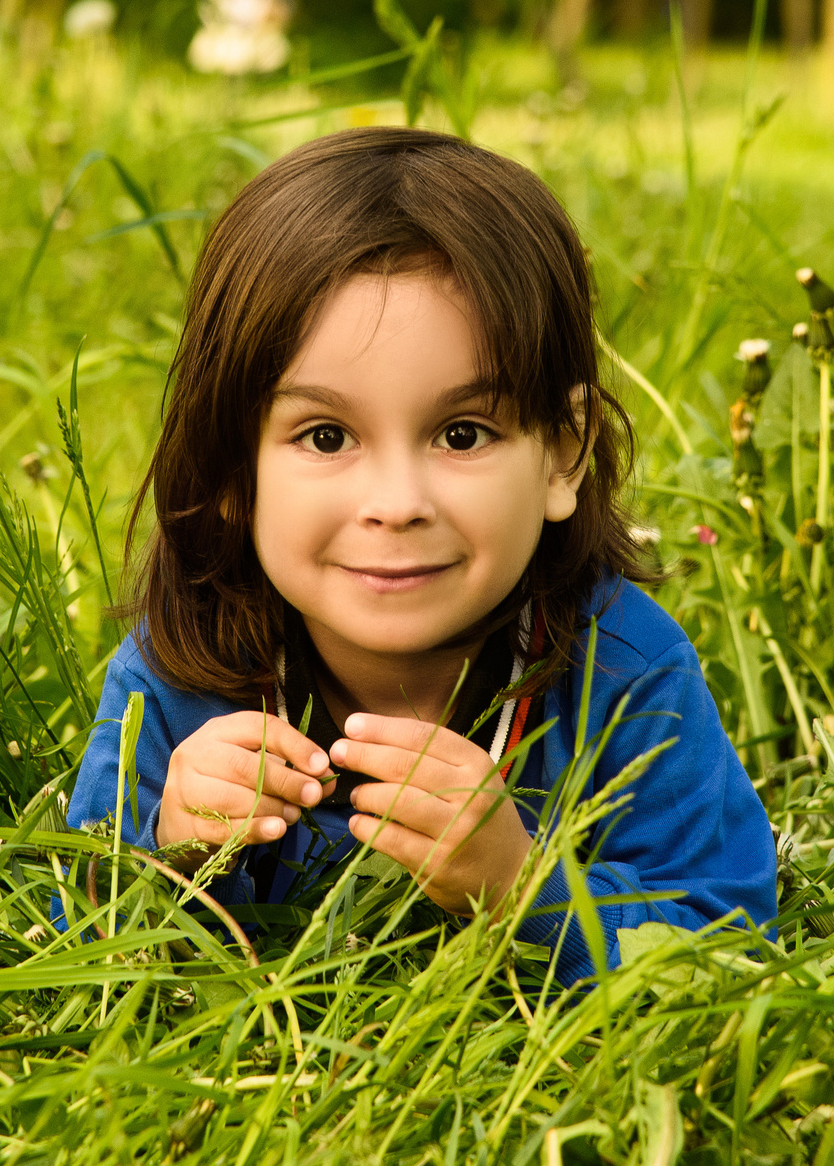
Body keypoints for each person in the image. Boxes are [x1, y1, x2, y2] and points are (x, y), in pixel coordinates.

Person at [68, 129, 776, 982]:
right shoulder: (178, 676)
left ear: (563, 451)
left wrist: (521, 886)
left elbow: (730, 938)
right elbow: (79, 932)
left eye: (462, 432)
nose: (397, 503)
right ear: (231, 468)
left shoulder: (624, 671)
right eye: (326, 436)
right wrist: (173, 854)